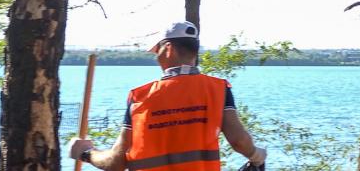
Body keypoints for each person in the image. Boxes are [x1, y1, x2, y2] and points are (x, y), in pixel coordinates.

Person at [66, 21, 267, 171]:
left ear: (168, 49)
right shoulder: (218, 89)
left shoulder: (140, 97)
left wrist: (85, 153)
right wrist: (256, 155)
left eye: (158, 50)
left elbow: (116, 162)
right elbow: (239, 141)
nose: (156, 56)